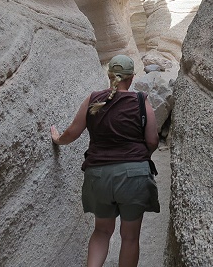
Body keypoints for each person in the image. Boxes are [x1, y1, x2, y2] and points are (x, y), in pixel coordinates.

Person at [50, 54, 160, 267]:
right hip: (134, 175)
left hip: (98, 175)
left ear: (109, 76)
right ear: (132, 77)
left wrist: (57, 139)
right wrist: (139, 158)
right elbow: (152, 139)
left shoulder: (93, 99)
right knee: (129, 237)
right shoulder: (140, 100)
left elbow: (72, 132)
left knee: (101, 231)